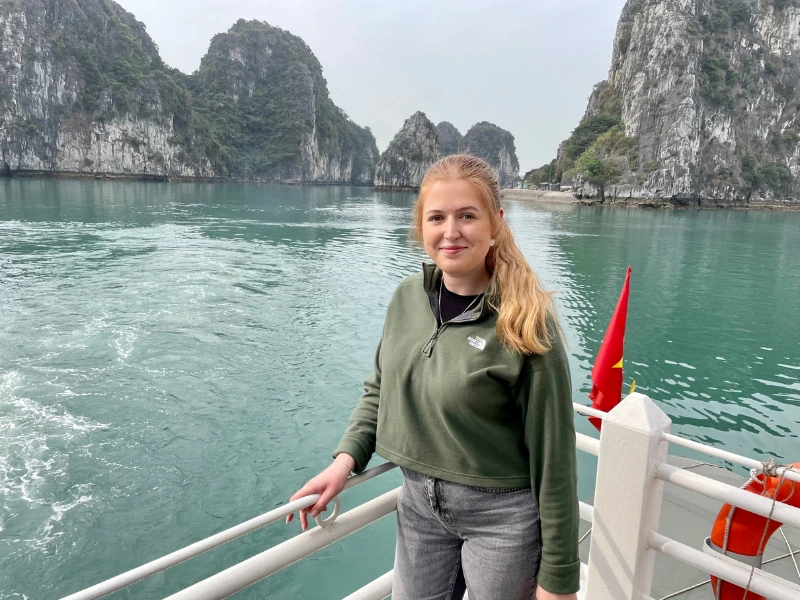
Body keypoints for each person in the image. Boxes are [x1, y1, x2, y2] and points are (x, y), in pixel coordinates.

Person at [287, 155, 580, 600]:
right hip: (418, 507)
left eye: (467, 216)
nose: (451, 231)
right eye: (437, 217)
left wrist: (558, 580)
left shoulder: (525, 322)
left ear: (496, 222)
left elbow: (554, 459)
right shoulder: (407, 299)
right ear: (420, 225)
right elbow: (380, 389)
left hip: (502, 518)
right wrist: (344, 462)